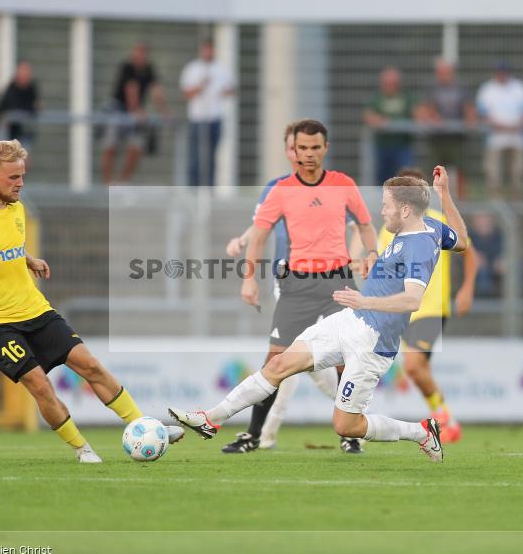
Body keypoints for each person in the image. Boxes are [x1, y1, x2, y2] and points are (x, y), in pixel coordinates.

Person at [169, 166, 468, 463]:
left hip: (373, 343)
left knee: (346, 425)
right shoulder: (430, 226)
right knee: (280, 363)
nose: (382, 211)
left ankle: (421, 432)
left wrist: (364, 300)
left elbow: (412, 300)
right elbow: (463, 241)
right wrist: (444, 194)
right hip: (351, 320)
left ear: (404, 210)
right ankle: (211, 419)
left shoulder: (418, 246)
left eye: (386, 205)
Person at [0, 140, 183, 463]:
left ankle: (145, 426)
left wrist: (28, 259)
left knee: (90, 365)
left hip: (35, 310)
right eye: (14, 177)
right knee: (39, 384)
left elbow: (3, 246)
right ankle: (83, 449)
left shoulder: (16, 209)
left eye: (22, 176)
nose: (20, 184)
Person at [222, 119, 379, 454]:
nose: (308, 154)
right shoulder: (281, 190)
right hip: (296, 284)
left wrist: (372, 253)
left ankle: (350, 433)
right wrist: (249, 278)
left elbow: (365, 225)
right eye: (302, 148)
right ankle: (253, 434)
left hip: (338, 281)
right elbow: (259, 235)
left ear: (325, 148)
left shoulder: (342, 184)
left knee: (347, 359)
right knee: (275, 361)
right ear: (293, 149)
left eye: (314, 147)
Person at [374, 168, 476, 443]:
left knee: (413, 365)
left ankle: (446, 419)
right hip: (403, 310)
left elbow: (469, 251)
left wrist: (467, 288)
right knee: (416, 369)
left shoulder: (437, 222)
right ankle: (445, 419)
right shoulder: (388, 229)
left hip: (431, 307)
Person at [101, 42, 169, 184]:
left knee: (137, 145)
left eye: (143, 53)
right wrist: (136, 110)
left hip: (134, 112)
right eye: (137, 53)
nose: (140, 57)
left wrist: (164, 112)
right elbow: (131, 90)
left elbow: (156, 91)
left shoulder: (149, 69)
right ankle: (107, 183)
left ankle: (123, 182)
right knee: (111, 145)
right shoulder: (127, 67)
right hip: (117, 108)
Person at [179, 39, 235, 187]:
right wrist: (201, 85)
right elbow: (187, 93)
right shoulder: (192, 68)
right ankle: (193, 187)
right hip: (198, 119)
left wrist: (224, 92)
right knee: (195, 156)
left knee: (211, 156)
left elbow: (231, 90)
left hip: (215, 118)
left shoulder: (222, 69)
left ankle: (209, 188)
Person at [476, 61, 523, 200]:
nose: (502, 75)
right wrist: (498, 125)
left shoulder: (520, 88)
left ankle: (518, 204)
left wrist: (517, 125)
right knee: (493, 176)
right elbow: (482, 113)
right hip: (495, 139)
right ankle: (495, 204)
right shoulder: (487, 89)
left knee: (518, 174)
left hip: (517, 138)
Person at [421, 58, 478, 196]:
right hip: (437, 138)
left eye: (446, 71)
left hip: (457, 138)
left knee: (461, 171)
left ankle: (462, 202)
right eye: (440, 72)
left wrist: (470, 118)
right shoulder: (432, 88)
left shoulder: (461, 88)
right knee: (435, 172)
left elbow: (469, 108)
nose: (443, 74)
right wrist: (433, 117)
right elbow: (426, 108)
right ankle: (434, 200)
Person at [363, 67, 418, 186]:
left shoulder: (406, 97)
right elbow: (368, 116)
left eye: (393, 83)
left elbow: (418, 113)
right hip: (382, 146)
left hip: (402, 146)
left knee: (405, 178)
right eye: (387, 83)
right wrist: (380, 120)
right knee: (383, 179)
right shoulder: (377, 98)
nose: (390, 86)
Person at [0, 61, 40, 151]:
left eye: (27, 72)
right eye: (23, 71)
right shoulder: (11, 88)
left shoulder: (31, 88)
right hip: (0, 128)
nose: (25, 75)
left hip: (19, 130)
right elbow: (15, 107)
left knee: (22, 153)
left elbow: (35, 107)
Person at [468, 211, 505, 297]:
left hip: (495, 270)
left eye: (485, 218)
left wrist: (502, 261)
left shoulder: (499, 236)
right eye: (480, 219)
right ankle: (484, 299)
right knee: (481, 270)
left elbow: (504, 253)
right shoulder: (469, 236)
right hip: (477, 272)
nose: (483, 222)